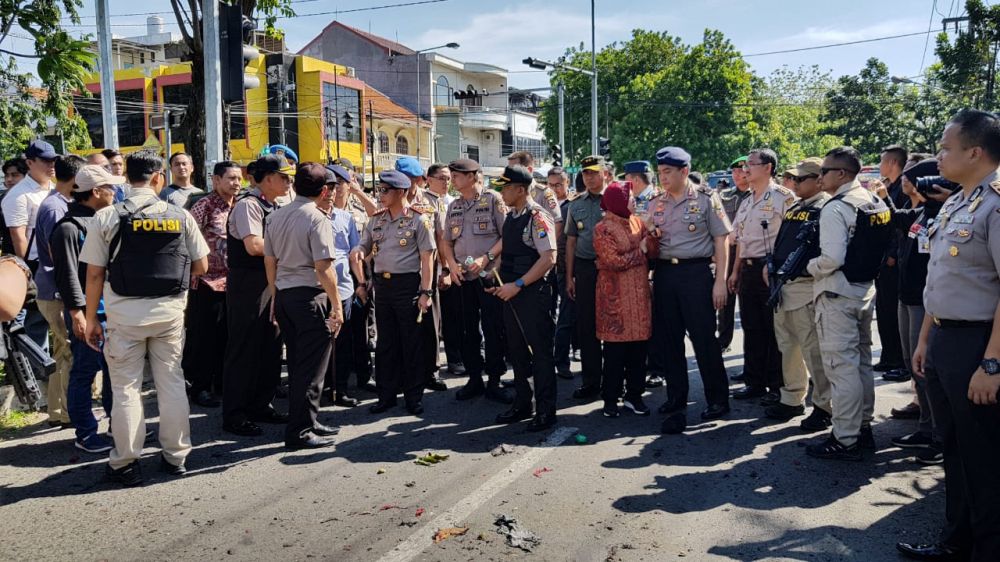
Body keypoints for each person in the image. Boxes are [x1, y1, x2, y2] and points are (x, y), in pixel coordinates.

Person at [899, 109, 1000, 562]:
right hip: (944, 338)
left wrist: (992, 363)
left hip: (978, 344)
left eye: (945, 148)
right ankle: (955, 542)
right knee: (955, 451)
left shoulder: (996, 204)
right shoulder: (959, 201)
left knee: (985, 459)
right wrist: (925, 339)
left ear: (975, 152)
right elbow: (939, 280)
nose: (938, 157)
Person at [81, 150, 210, 485]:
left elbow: (94, 274)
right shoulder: (181, 216)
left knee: (126, 389)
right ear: (159, 178)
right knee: (172, 383)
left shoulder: (107, 217)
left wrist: (91, 318)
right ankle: (176, 457)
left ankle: (124, 462)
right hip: (169, 314)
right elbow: (202, 266)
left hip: (124, 316)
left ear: (127, 178)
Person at [804, 146, 891, 461]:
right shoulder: (872, 199)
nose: (820, 176)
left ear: (841, 174)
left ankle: (845, 438)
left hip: (837, 294)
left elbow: (831, 259)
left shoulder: (836, 207)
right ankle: (861, 426)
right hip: (863, 290)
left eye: (824, 171)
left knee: (841, 369)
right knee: (861, 364)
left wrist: (809, 267)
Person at [646, 147, 732, 434]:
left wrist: (720, 281)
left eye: (668, 172)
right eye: (660, 172)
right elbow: (647, 236)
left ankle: (717, 399)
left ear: (684, 171)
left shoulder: (707, 199)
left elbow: (722, 240)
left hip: (696, 273)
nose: (663, 177)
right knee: (669, 340)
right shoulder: (656, 202)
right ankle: (676, 397)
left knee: (704, 339)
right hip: (665, 274)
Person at [264, 163, 344, 449]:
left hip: (286, 295)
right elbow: (324, 268)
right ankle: (300, 431)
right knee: (311, 369)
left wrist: (275, 295)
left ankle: (308, 420)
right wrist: (337, 306)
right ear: (323, 191)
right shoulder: (317, 218)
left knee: (299, 364)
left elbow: (270, 261)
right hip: (310, 296)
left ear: (295, 186)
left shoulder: (275, 216)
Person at [877, 158, 948, 465]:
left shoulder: (943, 213)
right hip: (906, 298)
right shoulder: (921, 212)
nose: (906, 181)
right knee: (912, 365)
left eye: (913, 177)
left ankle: (939, 436)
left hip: (924, 303)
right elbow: (896, 218)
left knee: (926, 370)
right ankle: (925, 428)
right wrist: (884, 199)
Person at [351, 170, 435, 415]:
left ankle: (413, 397)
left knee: (411, 342)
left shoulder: (419, 219)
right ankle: (386, 395)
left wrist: (426, 292)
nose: (380, 195)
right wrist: (358, 250)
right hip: (382, 286)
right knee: (386, 343)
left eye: (385, 190)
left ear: (400, 192)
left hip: (407, 286)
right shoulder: (376, 219)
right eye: (379, 189)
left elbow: (427, 259)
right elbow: (365, 244)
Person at [222, 155, 290, 437]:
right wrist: (290, 247)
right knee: (244, 348)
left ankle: (261, 404)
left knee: (270, 346)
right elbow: (254, 245)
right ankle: (235, 414)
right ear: (268, 179)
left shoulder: (273, 205)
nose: (288, 182)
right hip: (249, 285)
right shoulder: (249, 205)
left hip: (271, 281)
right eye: (283, 177)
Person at [51, 164, 118, 453]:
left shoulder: (101, 219)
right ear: (97, 191)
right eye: (110, 187)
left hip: (111, 308)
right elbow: (67, 276)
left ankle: (119, 425)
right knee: (84, 371)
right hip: (88, 313)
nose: (115, 191)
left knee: (114, 371)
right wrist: (77, 314)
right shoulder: (68, 227)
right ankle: (86, 433)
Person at [763, 158, 833, 430]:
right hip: (783, 286)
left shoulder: (825, 208)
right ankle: (792, 398)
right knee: (788, 346)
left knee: (813, 351)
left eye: (801, 179)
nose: (794, 183)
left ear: (819, 180)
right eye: (793, 178)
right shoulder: (796, 207)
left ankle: (824, 405)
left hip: (806, 285)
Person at [489, 165, 558, 431]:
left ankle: (546, 411)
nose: (502, 193)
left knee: (540, 354)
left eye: (505, 188)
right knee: (517, 352)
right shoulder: (512, 216)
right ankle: (522, 403)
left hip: (532, 295)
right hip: (511, 293)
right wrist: (494, 275)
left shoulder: (537, 216)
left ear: (520, 190)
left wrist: (517, 284)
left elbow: (548, 258)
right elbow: (510, 254)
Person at [438, 158, 512, 404]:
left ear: (471, 176)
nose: (452, 180)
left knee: (493, 328)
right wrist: (451, 266)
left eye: (456, 176)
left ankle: (495, 379)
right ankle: (474, 377)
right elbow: (446, 241)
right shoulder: (454, 206)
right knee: (467, 330)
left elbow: (507, 235)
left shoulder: (493, 200)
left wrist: (487, 258)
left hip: (489, 275)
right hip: (463, 278)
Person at [729, 148, 795, 403]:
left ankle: (777, 386)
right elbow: (740, 240)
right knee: (752, 327)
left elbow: (792, 237)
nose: (745, 169)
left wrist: (777, 265)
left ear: (768, 167)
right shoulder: (747, 201)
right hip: (748, 269)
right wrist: (735, 271)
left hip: (771, 271)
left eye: (751, 164)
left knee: (774, 329)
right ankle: (754, 382)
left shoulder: (783, 197)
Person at [3, 140, 56, 416]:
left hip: (54, 264)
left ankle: (47, 388)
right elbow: (19, 238)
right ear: (30, 163)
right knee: (31, 327)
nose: (51, 165)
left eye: (53, 160)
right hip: (31, 267)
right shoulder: (18, 196)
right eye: (45, 161)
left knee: (47, 325)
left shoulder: (52, 188)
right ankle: (35, 390)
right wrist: (27, 276)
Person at [33, 154, 84, 432]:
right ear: (75, 178)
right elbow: (60, 257)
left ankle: (56, 410)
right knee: (68, 353)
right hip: (56, 290)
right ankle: (68, 413)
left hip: (51, 288)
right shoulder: (56, 208)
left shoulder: (57, 202)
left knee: (60, 351)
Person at [593, 181, 653, 418]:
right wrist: (641, 251)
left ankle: (634, 396)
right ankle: (610, 398)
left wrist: (654, 236)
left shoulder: (638, 222)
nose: (634, 201)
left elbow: (652, 249)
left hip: (639, 298)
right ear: (618, 201)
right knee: (615, 352)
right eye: (629, 198)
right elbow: (613, 261)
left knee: (639, 350)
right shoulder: (603, 229)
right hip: (615, 300)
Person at [183, 161, 240, 408]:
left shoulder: (240, 206)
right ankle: (200, 387)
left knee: (227, 337)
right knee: (203, 339)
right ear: (216, 180)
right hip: (206, 283)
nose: (236, 183)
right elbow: (187, 240)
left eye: (239, 179)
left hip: (233, 283)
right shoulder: (204, 205)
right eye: (231, 178)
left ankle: (222, 383)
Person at [397, 156, 448, 392]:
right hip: (401, 273)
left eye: (414, 179)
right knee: (403, 326)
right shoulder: (390, 200)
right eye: (406, 178)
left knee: (430, 324)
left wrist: (445, 270)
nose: (411, 183)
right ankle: (405, 372)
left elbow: (441, 238)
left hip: (428, 271)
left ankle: (431, 371)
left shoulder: (431, 202)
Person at [319, 164, 364, 408]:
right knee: (318, 341)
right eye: (328, 185)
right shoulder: (309, 215)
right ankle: (319, 388)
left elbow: (354, 254)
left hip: (343, 287)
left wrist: (361, 282)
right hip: (316, 288)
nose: (332, 190)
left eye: (336, 185)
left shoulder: (346, 218)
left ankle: (340, 388)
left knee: (342, 341)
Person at [565, 155, 609, 401]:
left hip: (612, 269)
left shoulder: (617, 199)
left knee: (613, 325)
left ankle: (615, 379)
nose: (589, 177)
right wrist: (569, 277)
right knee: (587, 326)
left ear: (605, 173)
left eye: (594, 172)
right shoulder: (576, 204)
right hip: (585, 269)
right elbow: (571, 242)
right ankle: (591, 381)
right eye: (586, 173)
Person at [426, 162, 465, 376]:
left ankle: (455, 359)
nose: (446, 182)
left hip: (455, 267)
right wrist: (444, 270)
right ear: (429, 179)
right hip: (434, 269)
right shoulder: (423, 201)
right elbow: (437, 239)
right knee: (435, 320)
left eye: (449, 178)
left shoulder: (454, 202)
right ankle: (433, 365)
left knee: (454, 317)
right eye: (442, 178)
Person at [875, 144, 909, 381]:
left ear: (893, 163)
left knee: (894, 311)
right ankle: (888, 356)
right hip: (883, 258)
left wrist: (893, 254)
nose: (880, 166)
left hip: (893, 259)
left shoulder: (903, 190)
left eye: (882, 161)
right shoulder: (888, 187)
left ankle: (898, 359)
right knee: (884, 310)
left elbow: (900, 225)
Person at [717, 155, 752, 363]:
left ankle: (750, 350)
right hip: (728, 251)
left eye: (741, 170)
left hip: (747, 252)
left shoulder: (756, 195)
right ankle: (723, 340)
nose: (738, 175)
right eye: (734, 171)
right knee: (725, 300)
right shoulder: (725, 195)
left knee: (748, 303)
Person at [549, 167, 577, 379]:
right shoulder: (542, 206)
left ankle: (562, 361)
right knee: (546, 316)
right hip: (544, 267)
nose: (554, 189)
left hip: (565, 268)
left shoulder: (573, 206)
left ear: (567, 183)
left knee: (566, 317)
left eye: (558, 184)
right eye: (550, 185)